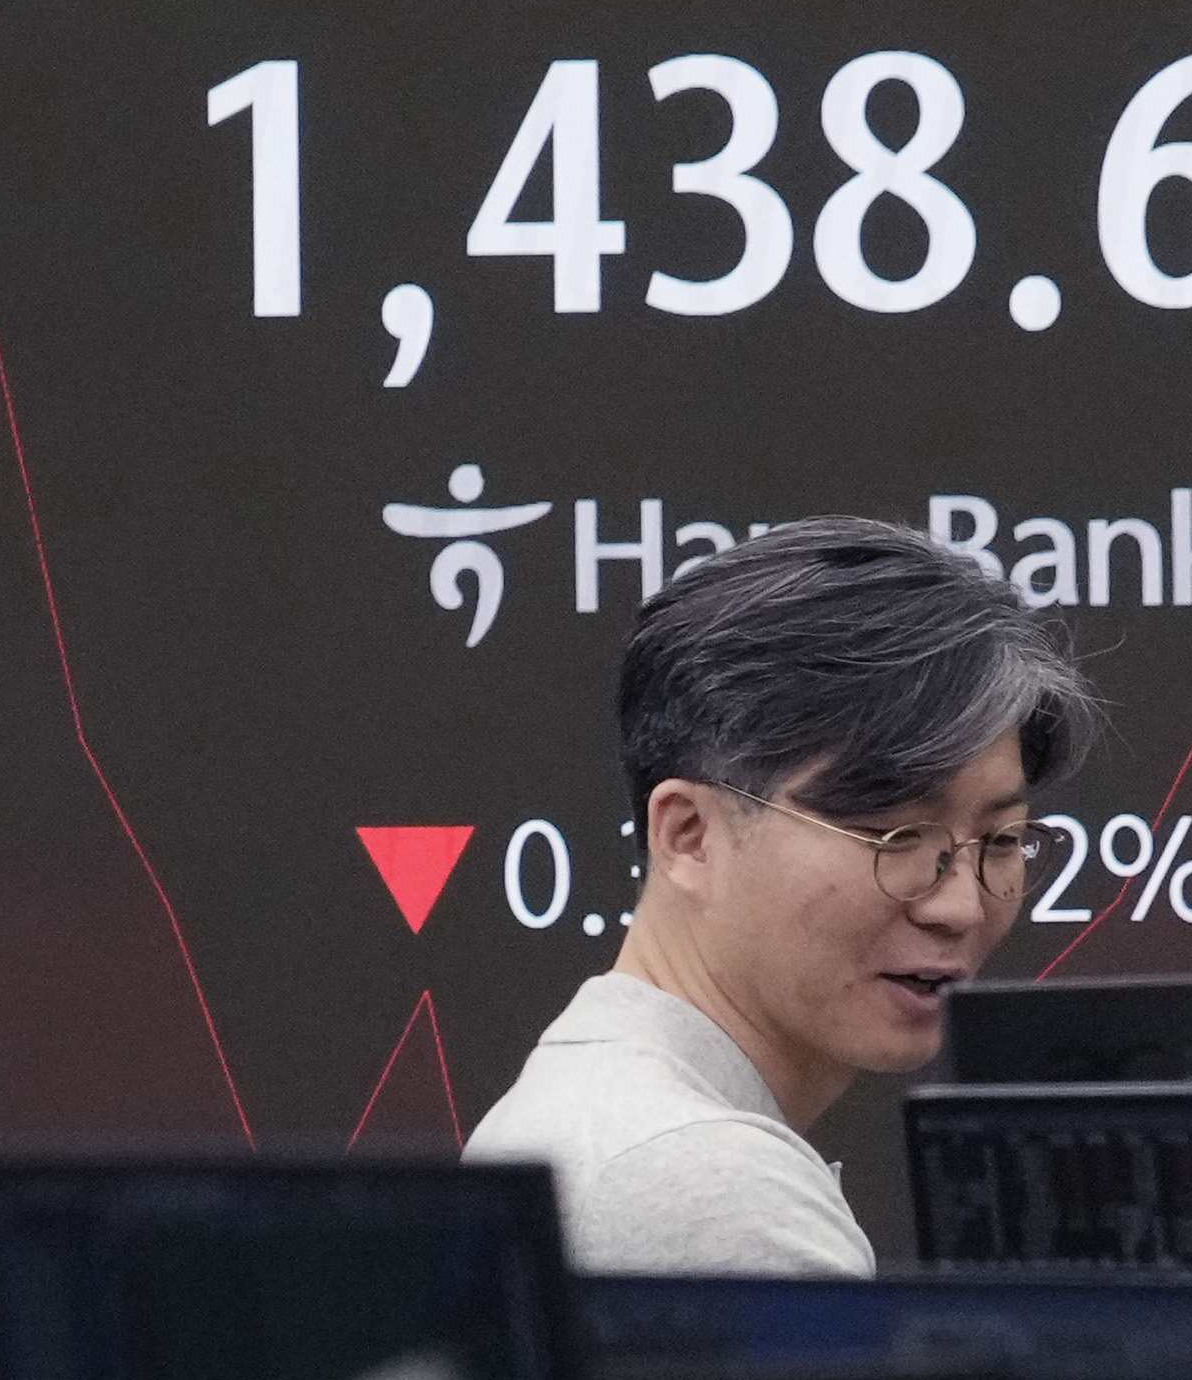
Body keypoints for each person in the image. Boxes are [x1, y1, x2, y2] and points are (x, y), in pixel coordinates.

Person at [466, 518, 1093, 1273]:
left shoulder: (618, 1114)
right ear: (689, 834)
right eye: (895, 838)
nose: (957, 906)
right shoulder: (700, 1184)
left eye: (998, 843)